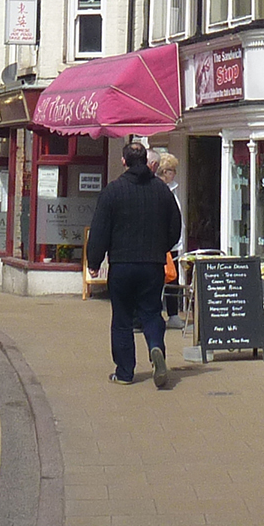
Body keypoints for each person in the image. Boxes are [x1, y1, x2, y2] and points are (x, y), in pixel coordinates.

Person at [87, 141, 183, 388]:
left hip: (121, 265)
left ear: (123, 161)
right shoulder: (162, 191)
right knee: (151, 312)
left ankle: (125, 372)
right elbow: (175, 228)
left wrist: (94, 261)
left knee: (122, 319)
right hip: (152, 264)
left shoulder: (112, 191)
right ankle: (155, 348)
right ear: (149, 162)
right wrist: (161, 248)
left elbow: (99, 230)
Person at [152, 150, 186, 326]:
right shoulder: (161, 190)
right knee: (163, 279)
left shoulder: (172, 189)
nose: (175, 173)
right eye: (172, 170)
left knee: (172, 278)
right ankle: (160, 314)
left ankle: (172, 314)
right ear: (165, 171)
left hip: (173, 244)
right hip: (165, 245)